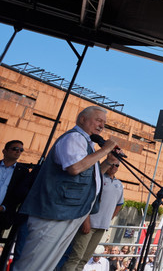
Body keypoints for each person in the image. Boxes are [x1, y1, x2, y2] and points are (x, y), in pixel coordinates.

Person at [12, 106, 121, 271]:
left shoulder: (87, 142)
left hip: (68, 214)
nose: (102, 126)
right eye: (98, 120)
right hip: (54, 213)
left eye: (104, 123)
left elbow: (89, 174)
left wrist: (108, 160)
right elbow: (74, 167)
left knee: (47, 264)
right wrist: (105, 149)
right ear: (82, 119)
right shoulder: (74, 138)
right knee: (34, 265)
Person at [61, 159, 125, 271]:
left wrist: (108, 219)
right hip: (88, 224)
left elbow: (119, 204)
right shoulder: (98, 179)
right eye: (112, 164)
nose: (113, 167)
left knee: (85, 258)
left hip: (101, 227)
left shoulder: (119, 184)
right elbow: (86, 198)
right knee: (75, 257)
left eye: (116, 165)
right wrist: (86, 220)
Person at [0, 140, 29, 232]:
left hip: (3, 215)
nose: (18, 152)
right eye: (15, 149)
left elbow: (19, 194)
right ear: (4, 151)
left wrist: (4, 207)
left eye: (21, 150)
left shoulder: (23, 171)